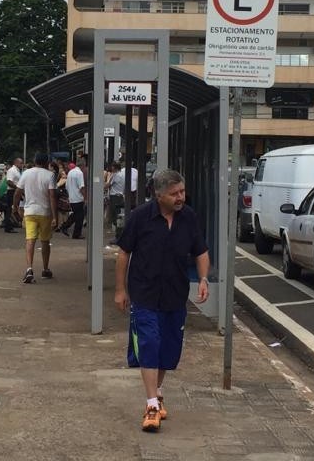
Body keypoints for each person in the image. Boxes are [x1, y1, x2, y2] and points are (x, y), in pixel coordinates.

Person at [113, 169, 209, 433]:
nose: (180, 197)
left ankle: (158, 392)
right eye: (174, 193)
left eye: (182, 192)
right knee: (150, 343)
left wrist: (203, 279)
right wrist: (120, 290)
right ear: (159, 195)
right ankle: (151, 404)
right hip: (144, 292)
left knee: (168, 349)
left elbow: (201, 251)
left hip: (175, 295)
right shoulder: (140, 217)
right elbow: (123, 254)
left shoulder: (188, 217)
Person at [13, 153, 57, 284]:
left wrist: (15, 207)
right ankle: (45, 269)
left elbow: (17, 192)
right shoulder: (50, 175)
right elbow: (52, 196)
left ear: (34, 161)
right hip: (45, 212)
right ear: (46, 162)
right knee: (45, 241)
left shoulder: (26, 173)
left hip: (30, 211)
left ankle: (29, 269)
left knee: (30, 240)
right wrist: (55, 216)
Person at [60, 159, 87, 239]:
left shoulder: (71, 172)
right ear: (83, 165)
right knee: (80, 217)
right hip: (78, 198)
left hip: (72, 198)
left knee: (76, 214)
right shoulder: (79, 173)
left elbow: (67, 186)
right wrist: (85, 197)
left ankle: (64, 226)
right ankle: (76, 234)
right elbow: (81, 187)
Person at [0, 158, 25, 233]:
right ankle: (8, 226)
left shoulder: (17, 171)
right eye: (21, 163)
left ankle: (10, 225)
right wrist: (17, 188)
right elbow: (9, 182)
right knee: (10, 209)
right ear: (16, 163)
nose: (22, 165)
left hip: (15, 191)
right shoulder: (12, 170)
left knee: (12, 209)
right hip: (12, 191)